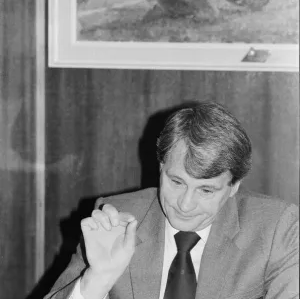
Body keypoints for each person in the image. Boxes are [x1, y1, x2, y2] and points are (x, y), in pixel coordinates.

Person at [44, 101, 299, 299]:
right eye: (176, 182)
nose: (184, 204)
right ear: (161, 166)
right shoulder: (117, 219)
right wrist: (98, 278)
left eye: (206, 191)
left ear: (233, 187)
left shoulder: (276, 228)